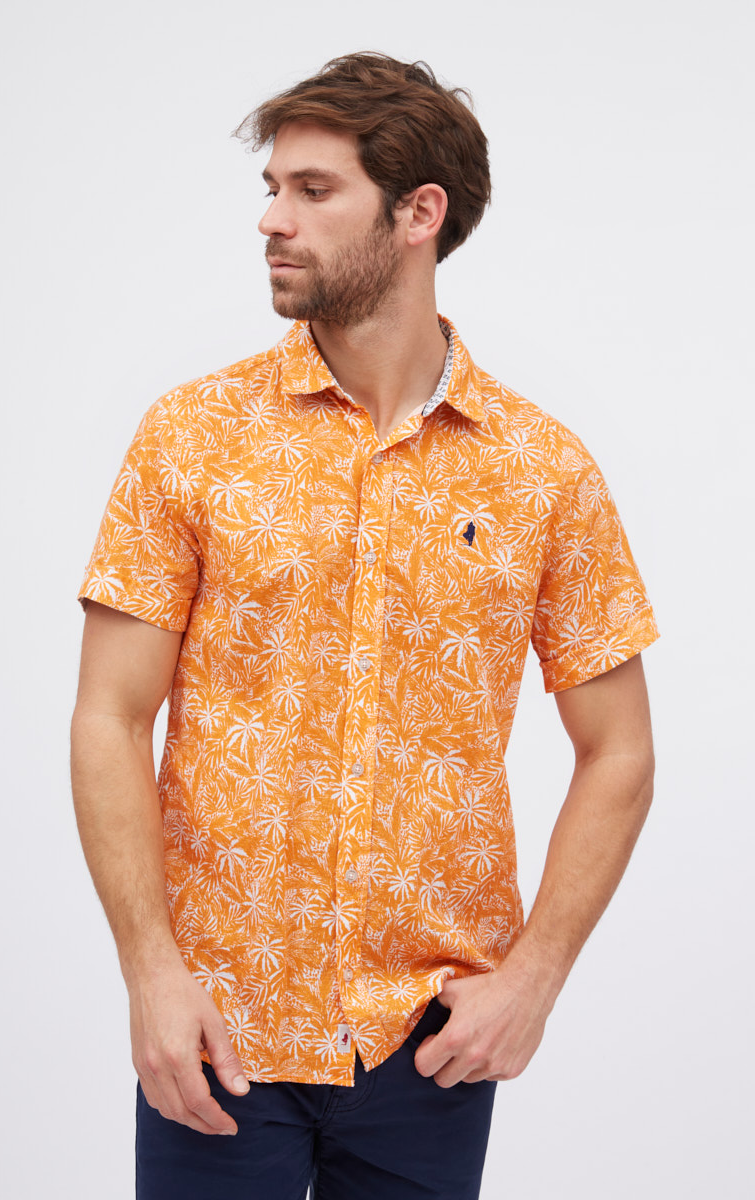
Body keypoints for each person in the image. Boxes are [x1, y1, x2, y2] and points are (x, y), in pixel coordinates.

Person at [71, 51, 659, 1200]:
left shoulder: (542, 471)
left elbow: (619, 751)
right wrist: (149, 975)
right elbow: (109, 716)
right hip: (220, 1028)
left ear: (416, 213)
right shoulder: (191, 437)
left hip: (426, 1044)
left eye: (312, 190)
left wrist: (532, 978)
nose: (270, 219)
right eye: (272, 188)